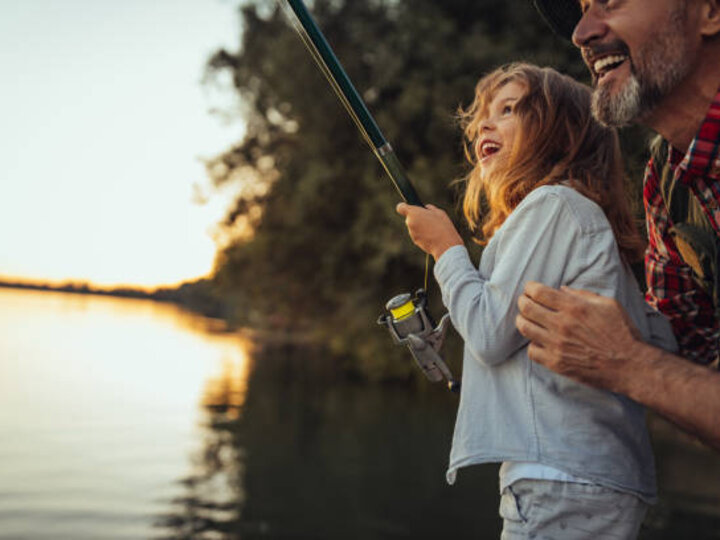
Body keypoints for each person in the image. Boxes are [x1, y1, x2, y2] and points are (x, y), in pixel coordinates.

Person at [397, 62, 677, 539]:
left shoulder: (553, 207)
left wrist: (446, 250)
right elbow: (660, 340)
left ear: (562, 136)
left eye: (509, 110)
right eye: (485, 114)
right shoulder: (573, 219)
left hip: (560, 479)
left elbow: (488, 333)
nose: (485, 123)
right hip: (586, 477)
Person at [518, 0, 720, 451]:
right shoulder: (667, 186)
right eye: (583, 7)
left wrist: (629, 365)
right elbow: (689, 365)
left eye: (609, 1)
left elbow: (647, 364)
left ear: (710, 12)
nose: (581, 32)